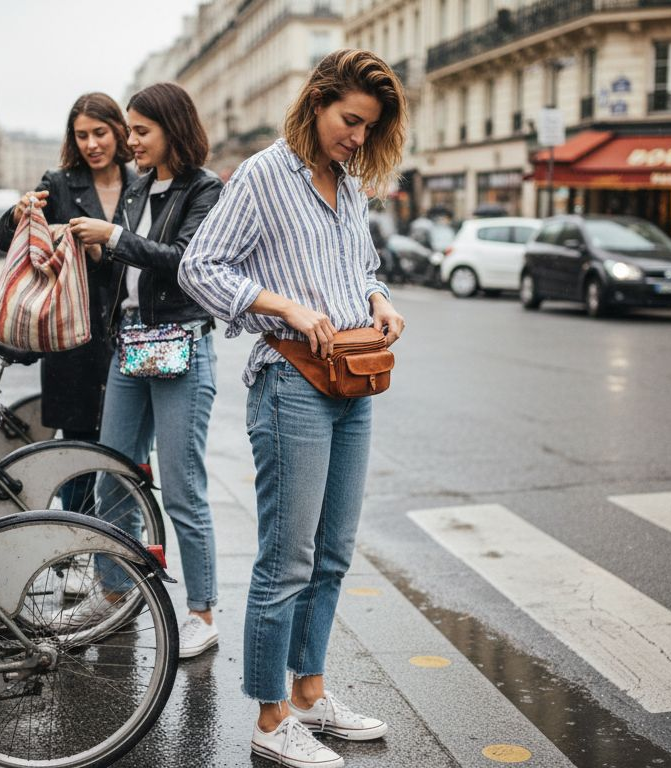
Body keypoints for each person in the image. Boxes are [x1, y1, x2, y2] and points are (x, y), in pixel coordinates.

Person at [179, 49, 407, 767]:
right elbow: (198, 267)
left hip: (354, 379)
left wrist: (380, 302)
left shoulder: (350, 183)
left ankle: (309, 694)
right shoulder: (261, 176)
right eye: (350, 121)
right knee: (288, 559)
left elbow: (361, 268)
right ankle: (270, 716)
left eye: (369, 128)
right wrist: (280, 305)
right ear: (316, 104)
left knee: (333, 554)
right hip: (291, 383)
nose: (358, 138)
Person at [56, 82, 225, 661]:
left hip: (182, 344)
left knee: (181, 488)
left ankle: (202, 612)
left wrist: (116, 237)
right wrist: (91, 246)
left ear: (173, 129)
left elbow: (186, 262)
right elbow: (125, 268)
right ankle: (112, 591)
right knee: (112, 476)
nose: (131, 140)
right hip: (132, 344)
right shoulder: (136, 187)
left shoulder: (205, 189)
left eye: (141, 130)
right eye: (129, 129)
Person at [0, 92, 137, 504]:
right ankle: (74, 534)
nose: (91, 144)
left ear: (119, 131)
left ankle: (116, 537)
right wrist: (18, 213)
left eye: (99, 133)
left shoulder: (140, 185)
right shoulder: (58, 183)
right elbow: (6, 239)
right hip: (73, 339)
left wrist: (104, 250)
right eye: (81, 135)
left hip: (130, 336)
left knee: (126, 455)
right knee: (77, 456)